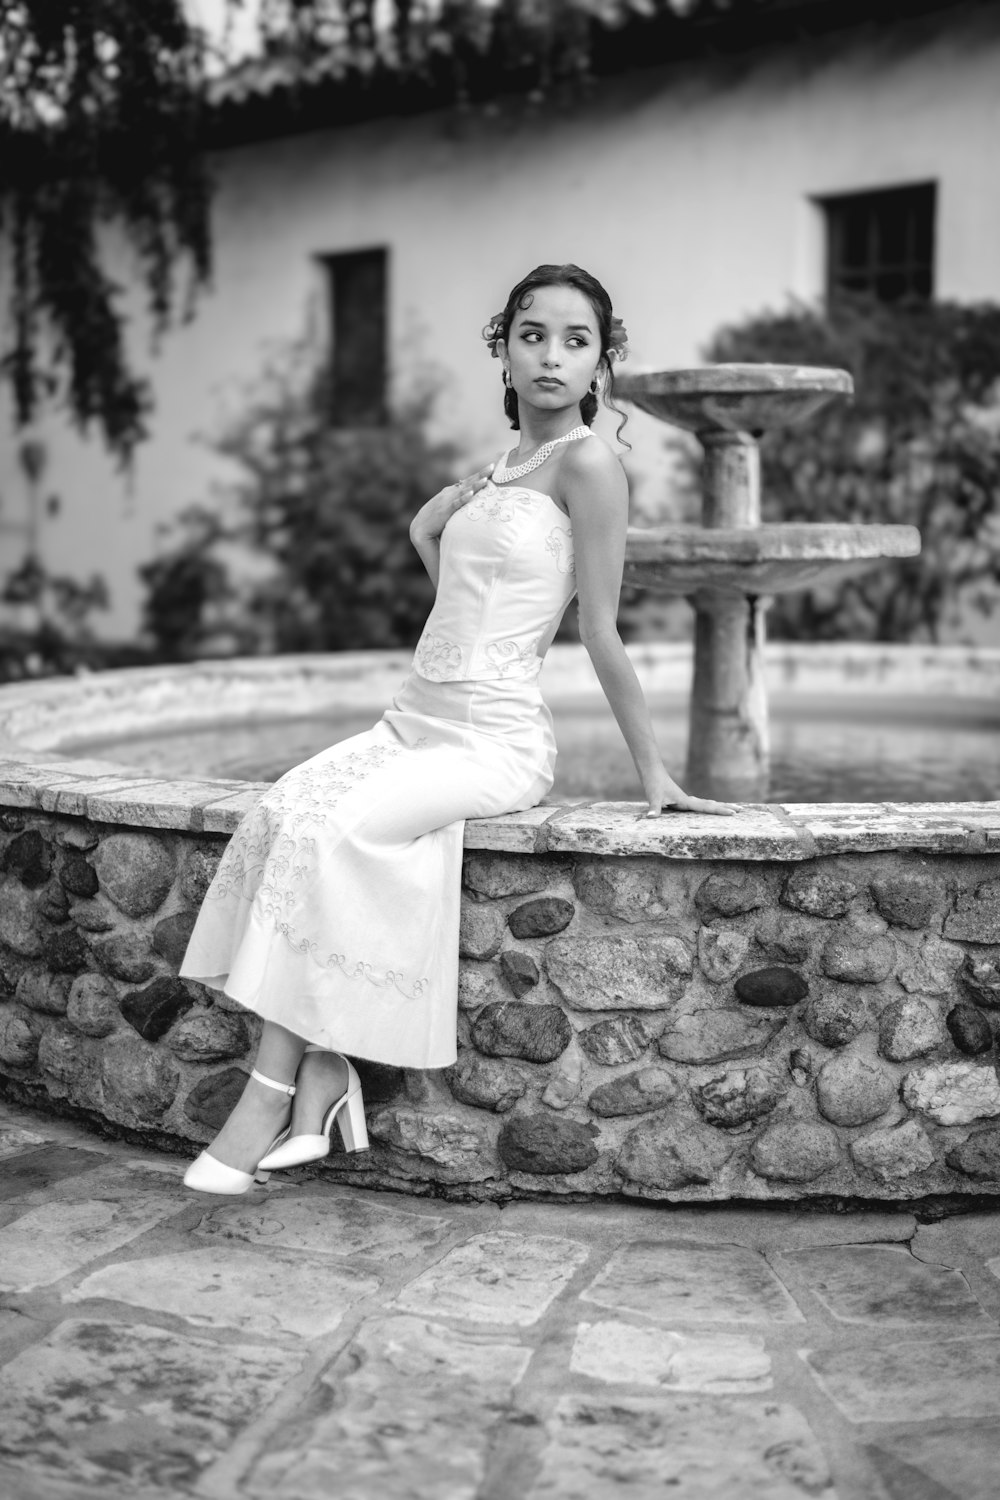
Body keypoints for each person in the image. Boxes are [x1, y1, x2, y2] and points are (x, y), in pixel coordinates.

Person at [179, 263, 733, 1195]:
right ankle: (324, 1073)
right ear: (504, 351)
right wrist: (438, 517)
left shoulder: (593, 464)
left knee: (338, 832)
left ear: (602, 361)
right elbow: (453, 585)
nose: (551, 355)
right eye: (531, 334)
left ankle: (273, 1092)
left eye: (575, 339)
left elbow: (599, 629)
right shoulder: (507, 469)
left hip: (493, 740)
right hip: (411, 721)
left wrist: (656, 776)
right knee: (285, 812)